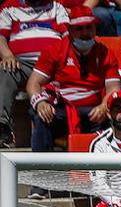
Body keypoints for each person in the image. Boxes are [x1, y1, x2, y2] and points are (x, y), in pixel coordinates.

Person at [26, 6, 119, 181]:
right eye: (79, 28)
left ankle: (105, 180)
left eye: (89, 27)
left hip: (94, 112)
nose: (85, 33)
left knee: (118, 116)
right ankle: (42, 181)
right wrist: (40, 103)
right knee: (41, 116)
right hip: (62, 110)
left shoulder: (106, 53)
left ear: (95, 28)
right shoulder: (55, 50)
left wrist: (104, 106)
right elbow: (33, 83)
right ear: (70, 30)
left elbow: (114, 89)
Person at [0, 0, 69, 148]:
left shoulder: (56, 5)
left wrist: (61, 59)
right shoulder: (9, 6)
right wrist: (7, 55)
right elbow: (1, 37)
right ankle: (2, 127)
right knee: (4, 70)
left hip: (52, 65)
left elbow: (68, 36)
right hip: (21, 64)